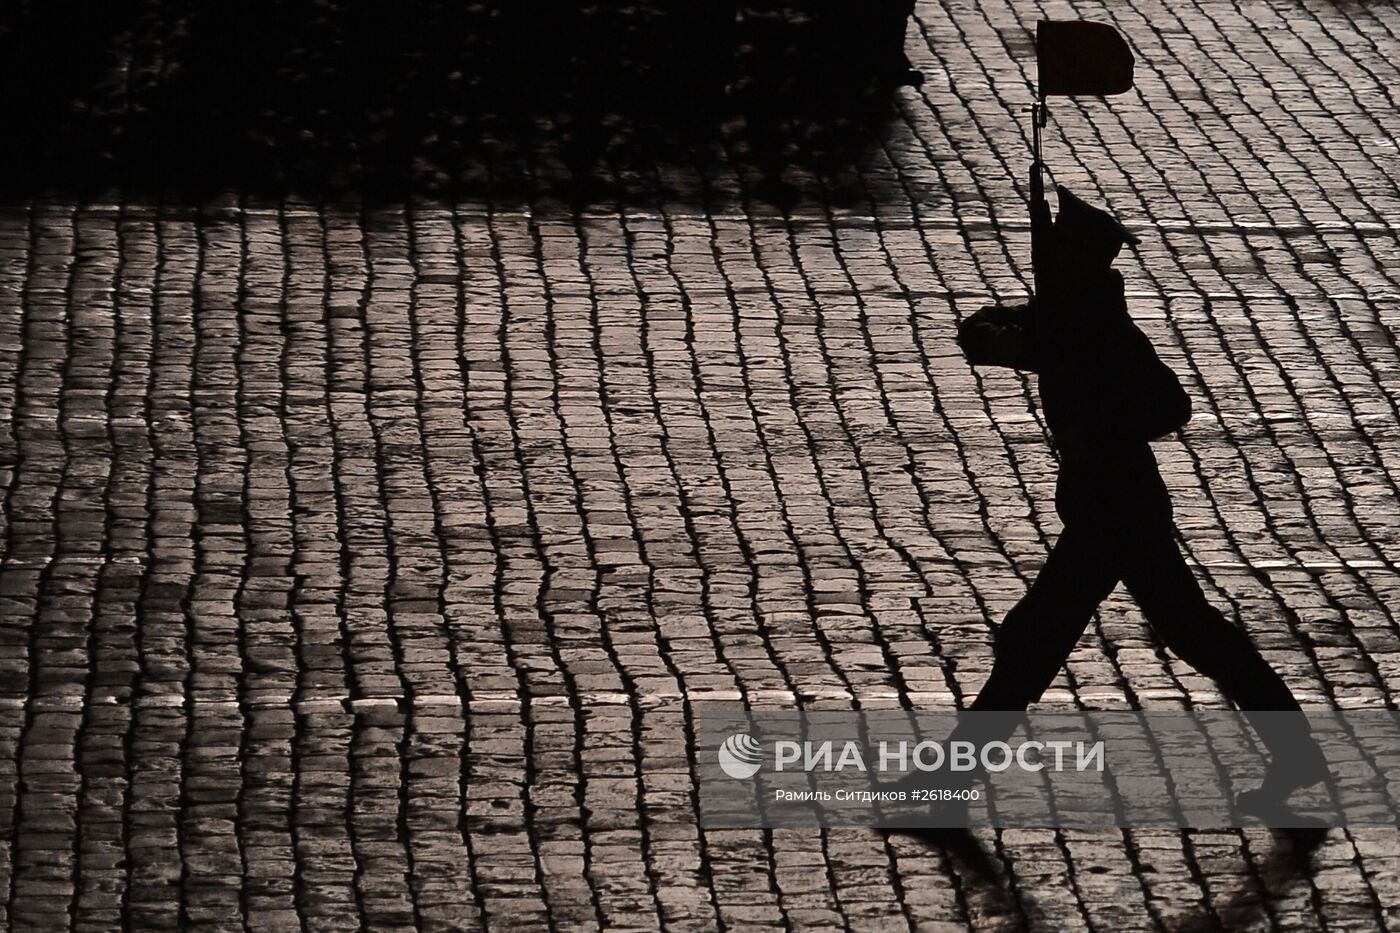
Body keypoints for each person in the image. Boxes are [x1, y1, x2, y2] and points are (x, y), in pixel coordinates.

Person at [940, 186, 1328, 818]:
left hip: (1114, 504)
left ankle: (944, 790)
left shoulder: (1100, 327)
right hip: (1112, 505)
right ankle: (1296, 752)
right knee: (1190, 633)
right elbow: (980, 336)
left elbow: (1170, 405)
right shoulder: (1069, 315)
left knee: (1036, 639)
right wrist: (1011, 328)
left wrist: (1102, 427)